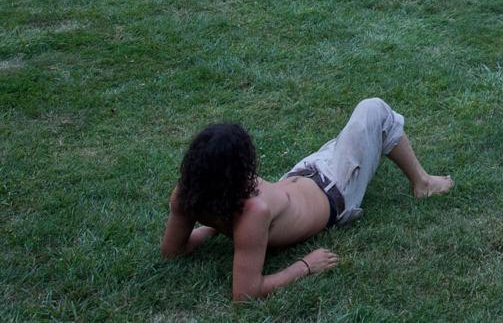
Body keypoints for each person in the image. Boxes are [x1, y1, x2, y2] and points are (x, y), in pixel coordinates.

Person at [160, 98, 452, 301]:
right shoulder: (253, 212)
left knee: (353, 137)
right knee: (374, 111)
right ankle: (423, 183)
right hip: (336, 190)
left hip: (304, 173)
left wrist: (215, 227)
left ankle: (368, 150)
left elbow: (173, 250)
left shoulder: (189, 194)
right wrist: (305, 266)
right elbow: (245, 293)